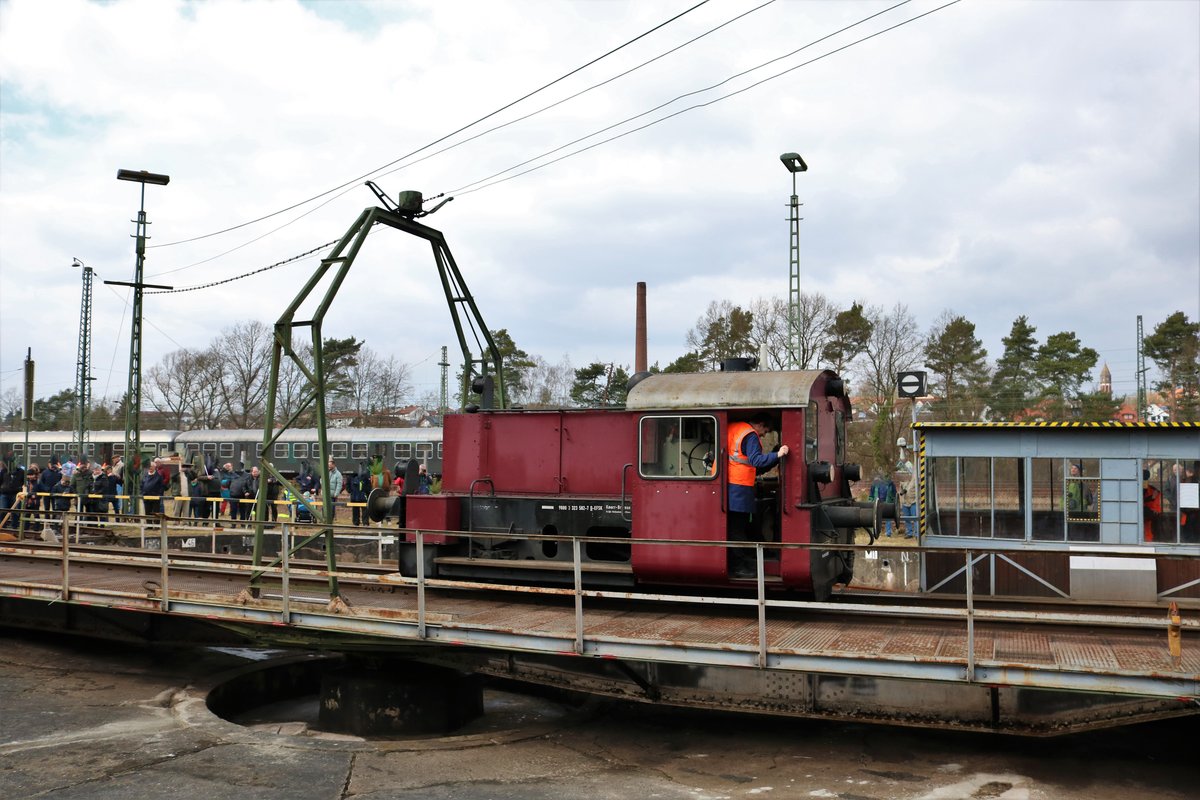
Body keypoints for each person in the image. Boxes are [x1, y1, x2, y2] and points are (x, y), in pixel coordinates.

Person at [726, 413, 788, 577]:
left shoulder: (733, 427)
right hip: (739, 489)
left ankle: (745, 560)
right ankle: (738, 567)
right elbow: (757, 461)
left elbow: (749, 466)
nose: (763, 435)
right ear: (759, 424)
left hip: (729, 487)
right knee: (737, 530)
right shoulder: (750, 434)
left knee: (738, 528)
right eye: (765, 431)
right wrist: (778, 454)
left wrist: (773, 458)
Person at [869, 472, 898, 536]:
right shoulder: (875, 484)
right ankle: (873, 532)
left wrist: (893, 502)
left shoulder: (891, 484)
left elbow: (894, 494)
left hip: (887, 502)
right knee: (874, 517)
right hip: (877, 503)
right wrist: (870, 501)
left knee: (888, 517)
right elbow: (871, 494)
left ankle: (888, 533)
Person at [1143, 469, 1162, 542]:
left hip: (1151, 512)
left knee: (1149, 528)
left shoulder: (1151, 489)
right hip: (1150, 511)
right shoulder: (1150, 489)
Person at [897, 468, 917, 538]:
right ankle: (909, 533)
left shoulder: (915, 480)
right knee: (906, 519)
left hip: (913, 502)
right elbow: (901, 491)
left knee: (915, 518)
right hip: (905, 502)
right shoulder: (902, 482)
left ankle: (917, 534)